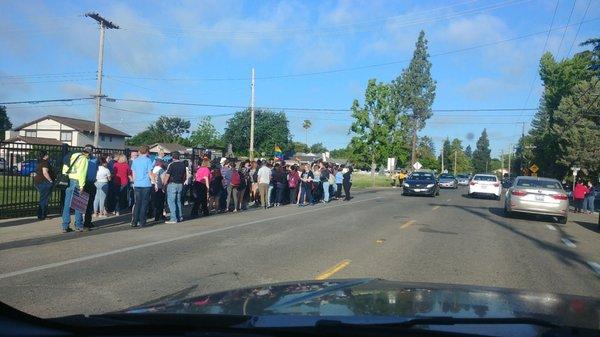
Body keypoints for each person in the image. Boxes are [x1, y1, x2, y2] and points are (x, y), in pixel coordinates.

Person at [60, 145, 92, 233]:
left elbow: (65, 167)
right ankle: (79, 225)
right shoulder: (84, 159)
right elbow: (82, 173)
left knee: (67, 204)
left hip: (69, 180)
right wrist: (82, 186)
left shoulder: (72, 155)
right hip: (77, 181)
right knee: (78, 204)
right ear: (88, 153)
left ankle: (65, 226)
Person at [131, 145, 155, 228]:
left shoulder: (135, 161)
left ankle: (134, 221)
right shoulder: (148, 160)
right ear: (147, 151)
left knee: (137, 203)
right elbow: (150, 173)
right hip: (146, 184)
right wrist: (154, 182)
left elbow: (133, 173)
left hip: (137, 184)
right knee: (144, 204)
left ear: (140, 151)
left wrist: (134, 182)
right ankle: (142, 222)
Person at [162, 151, 186, 223]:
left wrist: (164, 184)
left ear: (172, 157)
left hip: (172, 184)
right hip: (180, 184)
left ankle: (173, 218)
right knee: (178, 201)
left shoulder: (171, 165)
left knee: (171, 202)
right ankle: (179, 216)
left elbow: (167, 175)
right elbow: (185, 176)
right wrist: (182, 182)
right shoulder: (183, 165)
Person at [34, 150, 54, 220]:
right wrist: (50, 181)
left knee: (43, 198)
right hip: (44, 182)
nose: (48, 156)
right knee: (44, 200)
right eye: (47, 154)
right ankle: (42, 215)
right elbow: (45, 173)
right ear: (45, 156)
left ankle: (42, 215)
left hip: (38, 182)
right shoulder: (45, 162)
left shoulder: (39, 162)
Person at [83, 152, 99, 229]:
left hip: (91, 183)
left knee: (90, 204)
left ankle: (88, 222)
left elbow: (96, 169)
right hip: (83, 183)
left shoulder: (95, 160)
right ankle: (79, 222)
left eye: (90, 150)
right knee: (82, 203)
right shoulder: (82, 159)